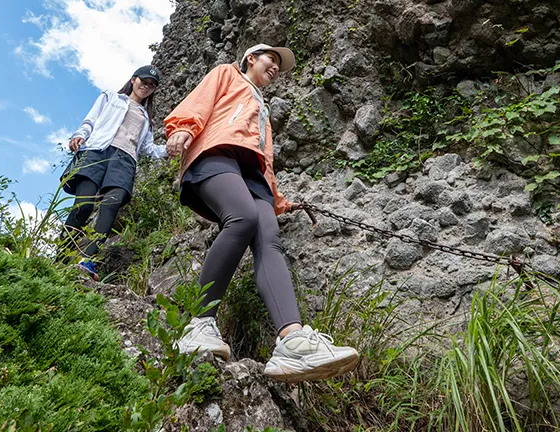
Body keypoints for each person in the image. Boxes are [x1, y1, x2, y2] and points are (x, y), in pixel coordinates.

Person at [164, 43, 359, 382]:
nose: (275, 68)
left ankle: (292, 341)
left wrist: (279, 201)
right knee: (242, 217)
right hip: (216, 153)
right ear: (251, 58)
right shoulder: (227, 73)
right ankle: (198, 324)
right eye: (271, 59)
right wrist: (183, 127)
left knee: (269, 238)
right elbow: (200, 101)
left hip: (252, 174)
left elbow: (264, 160)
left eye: (278, 67)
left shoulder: (263, 109)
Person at [59, 65, 167, 280]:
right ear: (134, 79)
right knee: (84, 204)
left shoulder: (146, 118)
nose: (146, 86)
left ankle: (87, 260)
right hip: (96, 151)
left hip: (125, 159)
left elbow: (149, 149)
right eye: (144, 81)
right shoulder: (111, 97)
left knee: (111, 204)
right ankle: (61, 256)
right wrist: (79, 135)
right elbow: (91, 120)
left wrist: (171, 148)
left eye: (152, 85)